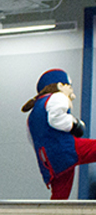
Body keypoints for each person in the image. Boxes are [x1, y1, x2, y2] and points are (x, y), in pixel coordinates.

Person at [22, 68, 96, 199]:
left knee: (60, 196)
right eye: (69, 86)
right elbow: (56, 119)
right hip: (65, 148)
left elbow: (32, 139)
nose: (71, 90)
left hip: (49, 161)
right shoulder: (58, 97)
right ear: (61, 85)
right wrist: (74, 124)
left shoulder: (33, 113)